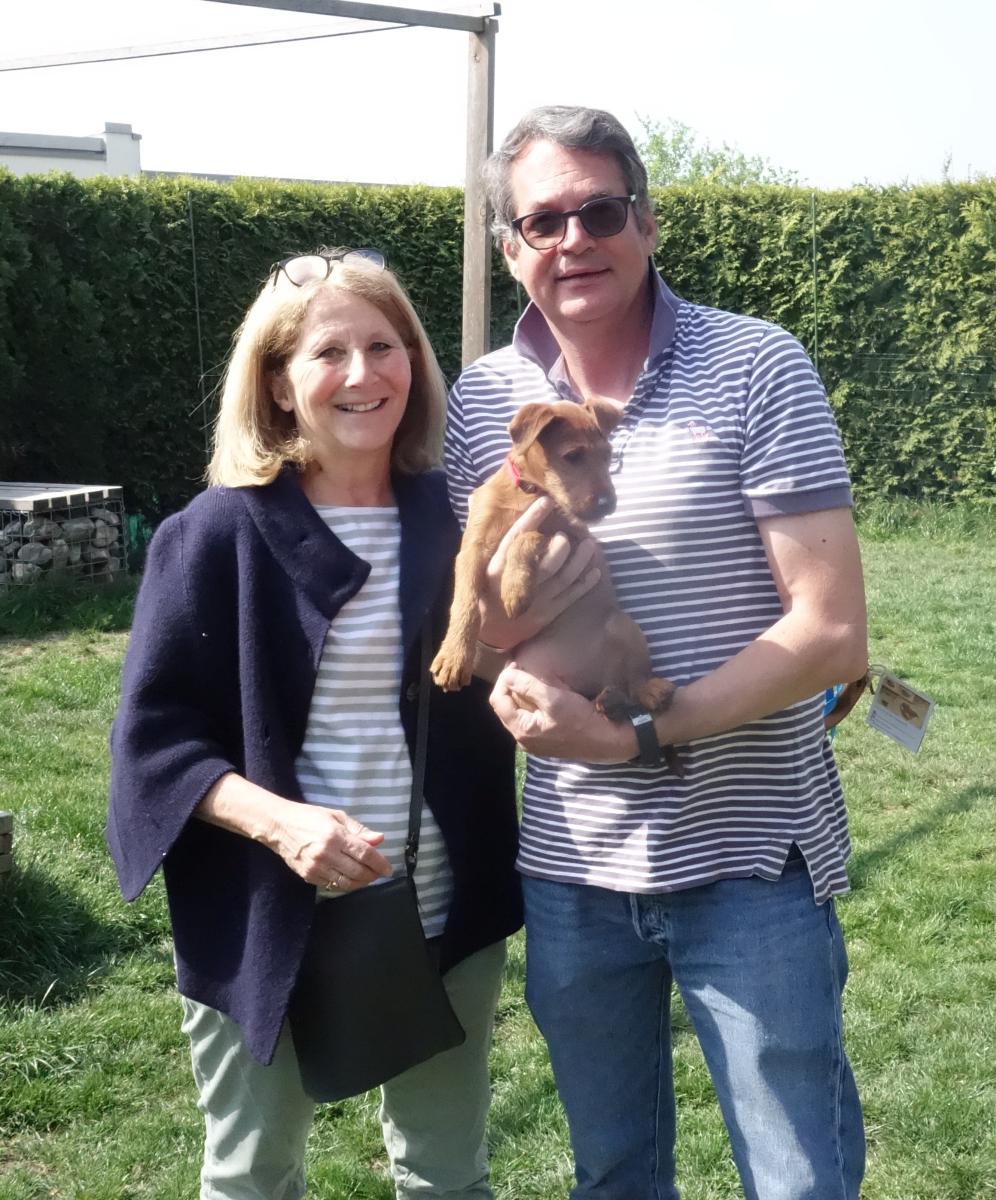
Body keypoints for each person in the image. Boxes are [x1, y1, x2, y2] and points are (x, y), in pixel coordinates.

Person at [444, 107, 869, 1200]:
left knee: (797, 1179)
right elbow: (475, 633)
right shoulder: (484, 402)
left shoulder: (756, 364)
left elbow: (830, 630)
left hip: (750, 856)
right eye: (542, 221)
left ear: (646, 220)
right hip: (574, 868)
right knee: (615, 1174)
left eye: (600, 211)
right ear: (508, 249)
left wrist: (634, 735)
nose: (572, 240)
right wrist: (512, 664)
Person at [107, 247, 522, 1200]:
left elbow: (518, 658)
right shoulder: (215, 535)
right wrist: (285, 824)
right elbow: (154, 746)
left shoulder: (457, 519)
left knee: (448, 1176)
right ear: (278, 384)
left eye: (384, 346)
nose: (363, 373)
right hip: (266, 917)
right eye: (329, 352)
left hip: (445, 912)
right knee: (252, 1176)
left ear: (414, 364)